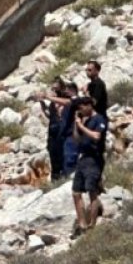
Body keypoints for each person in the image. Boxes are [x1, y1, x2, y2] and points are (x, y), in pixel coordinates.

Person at [71, 97, 108, 236]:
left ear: (88, 106)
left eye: (81, 108)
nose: (81, 111)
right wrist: (77, 124)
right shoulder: (84, 121)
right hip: (83, 158)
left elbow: (97, 136)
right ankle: (82, 224)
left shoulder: (99, 119)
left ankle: (92, 225)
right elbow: (77, 138)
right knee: (76, 192)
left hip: (94, 159)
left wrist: (82, 127)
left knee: (92, 192)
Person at [37, 78, 66, 180]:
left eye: (56, 87)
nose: (54, 90)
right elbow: (49, 115)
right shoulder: (53, 103)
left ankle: (64, 176)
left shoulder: (65, 99)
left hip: (62, 134)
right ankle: (56, 178)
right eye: (53, 88)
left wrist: (47, 97)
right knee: (53, 156)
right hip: (52, 133)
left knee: (63, 156)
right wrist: (42, 103)